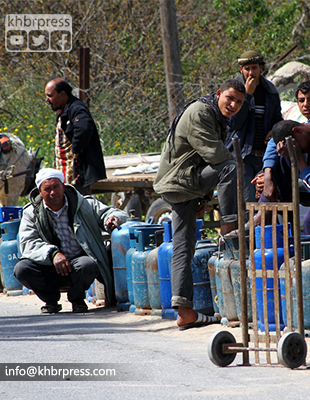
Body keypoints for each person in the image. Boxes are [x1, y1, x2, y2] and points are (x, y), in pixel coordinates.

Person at [153, 79, 245, 330]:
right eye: (230, 98)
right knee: (231, 167)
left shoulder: (215, 115)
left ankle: (184, 310)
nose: (233, 105)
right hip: (180, 181)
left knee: (184, 245)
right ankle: (228, 228)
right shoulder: (201, 112)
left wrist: (202, 199)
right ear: (219, 94)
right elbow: (214, 155)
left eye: (239, 102)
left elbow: (202, 159)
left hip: (186, 181)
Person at [14, 168, 127, 314]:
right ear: (40, 192)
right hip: (48, 266)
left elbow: (109, 212)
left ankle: (77, 299)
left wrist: (112, 219)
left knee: (88, 264)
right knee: (22, 269)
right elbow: (28, 243)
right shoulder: (31, 212)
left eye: (56, 187)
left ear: (63, 186)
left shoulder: (84, 204)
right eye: (47, 189)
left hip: (77, 266)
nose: (53, 192)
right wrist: (53, 254)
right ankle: (51, 301)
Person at [252, 80, 310, 201]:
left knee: (284, 160)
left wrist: (271, 179)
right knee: (270, 172)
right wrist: (268, 174)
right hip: (308, 176)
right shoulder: (305, 122)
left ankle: (269, 210)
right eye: (301, 100)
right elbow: (274, 140)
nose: (305, 104)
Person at [223, 51, 283, 203]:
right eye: (247, 69)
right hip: (242, 157)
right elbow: (234, 123)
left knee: (266, 200)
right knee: (247, 202)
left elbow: (277, 119)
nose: (251, 73)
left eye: (254, 68)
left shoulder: (270, 91)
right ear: (241, 69)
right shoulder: (233, 91)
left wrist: (274, 130)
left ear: (261, 68)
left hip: (265, 156)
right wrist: (247, 95)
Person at [44, 78, 107, 195]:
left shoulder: (76, 108)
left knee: (79, 203)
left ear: (62, 94)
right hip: (66, 173)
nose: (47, 100)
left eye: (50, 96)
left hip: (77, 175)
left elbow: (84, 128)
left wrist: (77, 149)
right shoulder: (64, 111)